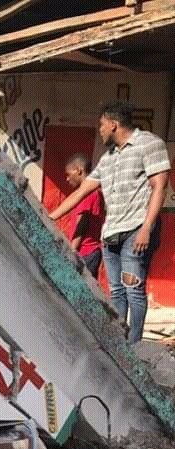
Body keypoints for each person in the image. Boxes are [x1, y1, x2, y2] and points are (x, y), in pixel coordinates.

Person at [49, 101, 171, 343]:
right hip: (111, 234)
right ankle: (118, 342)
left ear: (114, 124)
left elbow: (160, 186)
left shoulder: (149, 144)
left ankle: (134, 345)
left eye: (102, 125)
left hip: (136, 230)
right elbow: (80, 192)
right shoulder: (108, 158)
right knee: (116, 292)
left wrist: (147, 227)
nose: (101, 130)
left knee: (133, 289)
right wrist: (49, 216)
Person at [62, 153, 105, 277]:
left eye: (69, 175)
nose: (67, 179)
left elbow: (82, 223)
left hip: (85, 252)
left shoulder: (88, 193)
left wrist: (72, 251)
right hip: (89, 252)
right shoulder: (94, 192)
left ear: (79, 171)